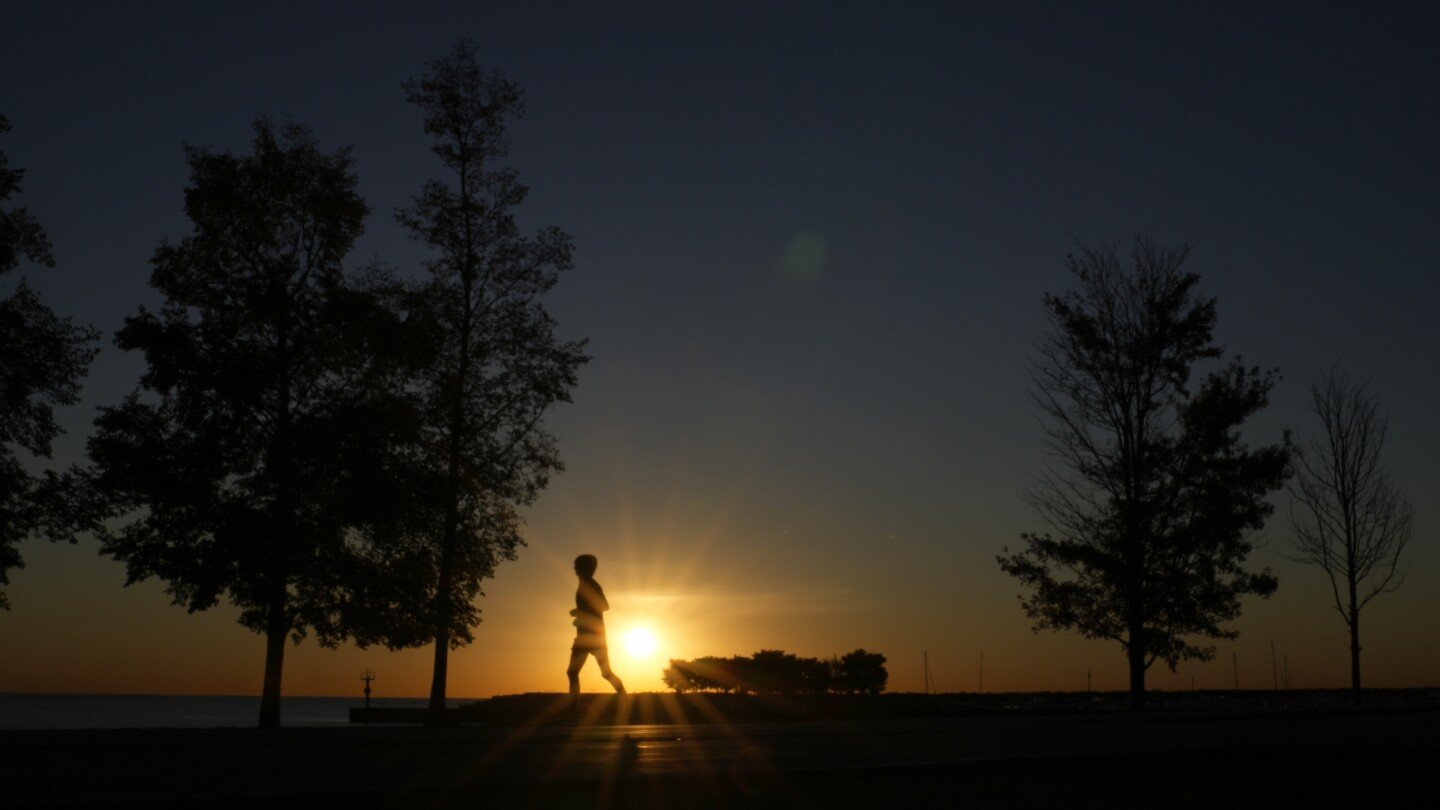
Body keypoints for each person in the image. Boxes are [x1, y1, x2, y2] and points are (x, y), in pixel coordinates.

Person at [566, 554, 625, 697]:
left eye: (577, 565)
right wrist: (579, 618)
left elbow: (604, 606)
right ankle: (626, 699)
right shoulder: (584, 584)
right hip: (588, 636)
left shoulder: (590, 584)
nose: (574, 568)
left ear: (584, 568)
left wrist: (579, 612)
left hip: (593, 637)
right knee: (577, 672)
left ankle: (626, 699)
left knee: (603, 673)